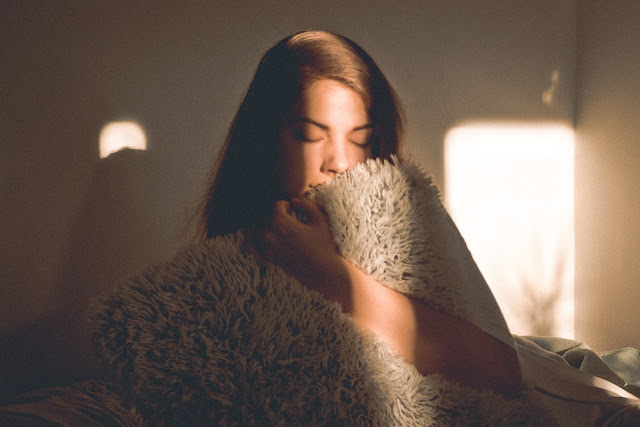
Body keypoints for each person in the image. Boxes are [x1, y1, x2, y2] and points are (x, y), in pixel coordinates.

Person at [197, 30, 522, 397]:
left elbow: (503, 374)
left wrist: (326, 272)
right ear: (264, 139)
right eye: (309, 135)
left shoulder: (407, 213)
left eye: (359, 140)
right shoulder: (221, 267)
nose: (339, 162)